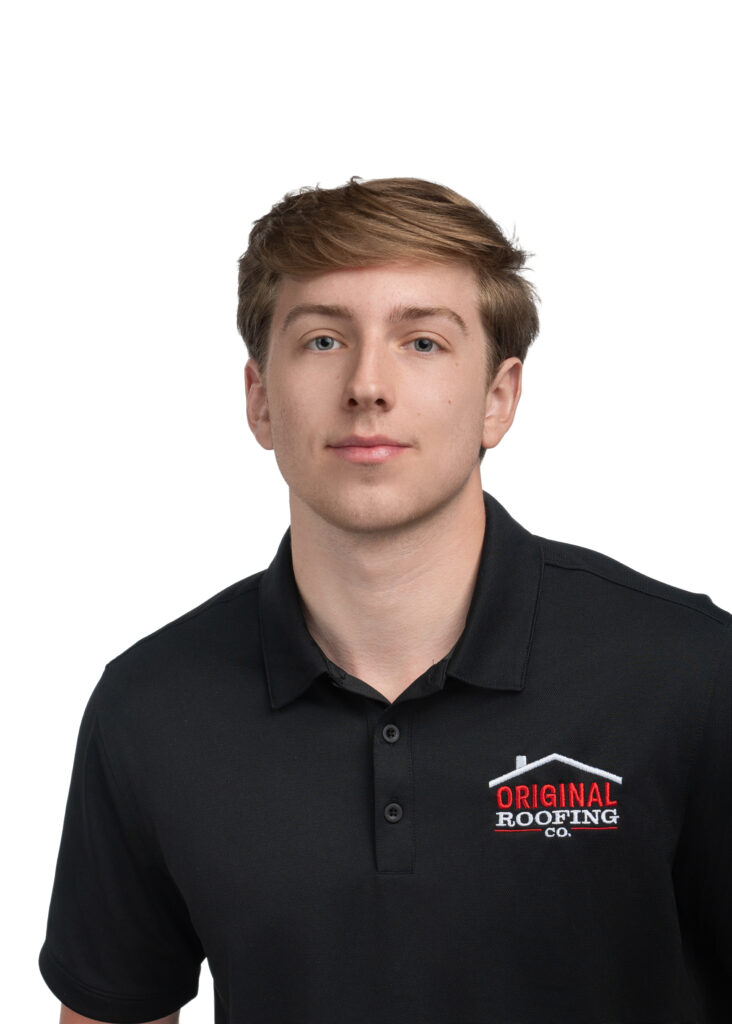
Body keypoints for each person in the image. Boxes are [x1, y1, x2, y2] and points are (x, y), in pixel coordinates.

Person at [39, 177, 731, 1024]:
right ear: (260, 398)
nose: (368, 385)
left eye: (424, 343)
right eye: (324, 340)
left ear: (499, 398)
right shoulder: (150, 708)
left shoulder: (691, 673)